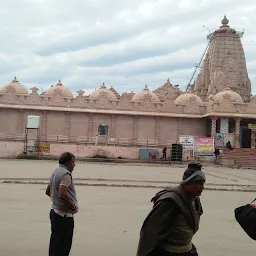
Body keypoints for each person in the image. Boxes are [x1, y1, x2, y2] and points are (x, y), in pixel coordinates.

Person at [137, 162, 205, 256]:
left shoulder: (195, 200)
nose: (202, 187)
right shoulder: (170, 202)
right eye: (199, 183)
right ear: (188, 182)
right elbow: (150, 233)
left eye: (203, 183)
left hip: (187, 251)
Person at [45, 152, 78, 256]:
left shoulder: (56, 172)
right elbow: (62, 193)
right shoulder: (66, 175)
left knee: (55, 244)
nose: (74, 165)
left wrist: (56, 202)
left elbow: (48, 191)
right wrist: (72, 206)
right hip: (64, 217)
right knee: (63, 247)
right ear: (68, 163)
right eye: (73, 162)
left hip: (54, 213)